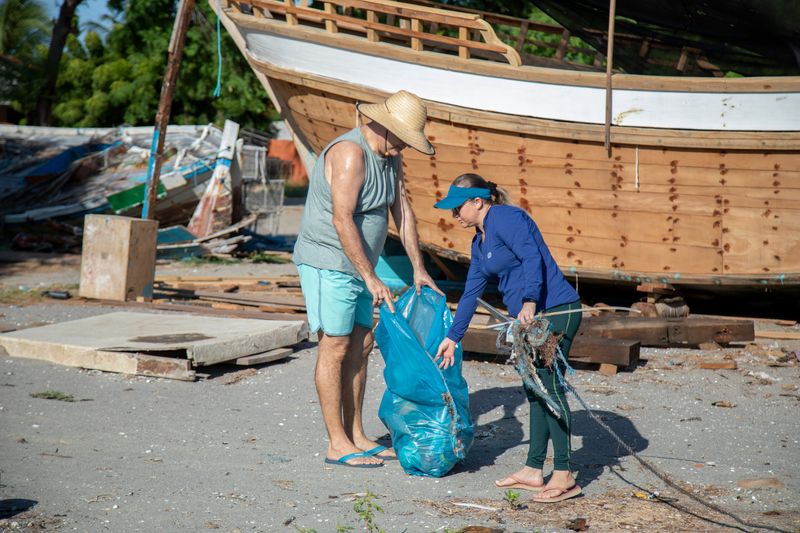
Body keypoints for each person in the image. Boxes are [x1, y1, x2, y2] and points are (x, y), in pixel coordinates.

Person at [293, 90, 441, 468]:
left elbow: (402, 212)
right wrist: (370, 277)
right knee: (336, 345)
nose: (406, 148)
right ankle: (337, 443)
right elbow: (342, 219)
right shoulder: (350, 154)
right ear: (386, 127)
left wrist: (419, 268)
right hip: (330, 262)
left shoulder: (390, 157)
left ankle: (357, 433)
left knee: (362, 343)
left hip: (362, 266)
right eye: (404, 139)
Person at [433, 173, 583, 502]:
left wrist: (530, 300)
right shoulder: (479, 241)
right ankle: (533, 469)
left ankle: (564, 474)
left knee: (549, 388)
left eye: (457, 208)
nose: (454, 215)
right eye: (451, 211)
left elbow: (533, 258)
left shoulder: (507, 218)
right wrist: (453, 337)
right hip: (528, 321)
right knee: (533, 390)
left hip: (555, 311)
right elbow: (471, 293)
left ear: (478, 201)